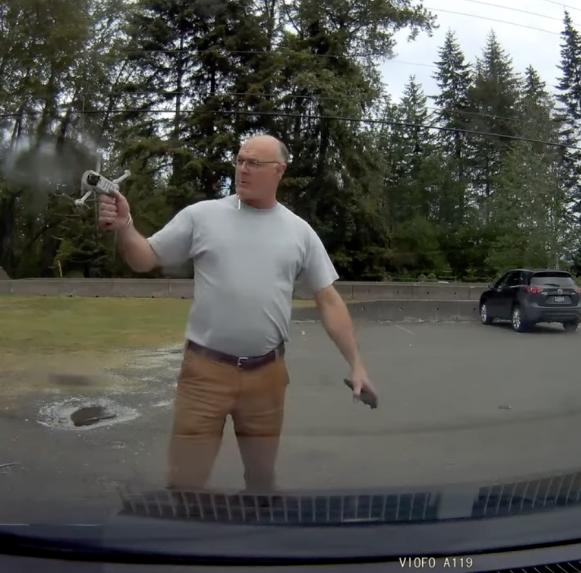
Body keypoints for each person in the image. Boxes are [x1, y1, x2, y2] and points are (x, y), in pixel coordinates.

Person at [96, 134, 377, 493]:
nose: (242, 169)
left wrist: (357, 365)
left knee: (261, 481)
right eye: (240, 160)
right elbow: (143, 258)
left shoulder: (299, 232)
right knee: (184, 481)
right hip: (204, 374)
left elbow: (329, 299)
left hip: (267, 377)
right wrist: (125, 227)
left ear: (279, 171)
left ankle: (256, 539)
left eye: (254, 163)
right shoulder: (203, 216)